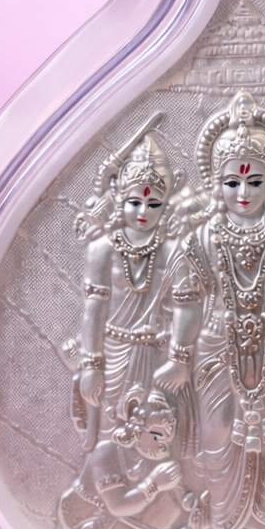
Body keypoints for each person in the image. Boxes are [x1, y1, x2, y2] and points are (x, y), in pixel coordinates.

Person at [154, 91, 265, 529]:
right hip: (216, 346)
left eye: (254, 181)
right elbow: (187, 302)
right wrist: (178, 356)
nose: (243, 193)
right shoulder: (202, 237)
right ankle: (225, 520)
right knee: (220, 432)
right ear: (216, 182)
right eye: (233, 182)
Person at [64, 129, 181, 450]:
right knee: (108, 436)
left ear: (165, 203)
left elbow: (187, 305)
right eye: (135, 202)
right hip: (112, 354)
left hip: (157, 356)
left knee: (156, 434)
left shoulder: (173, 250)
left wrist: (179, 358)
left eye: (153, 203)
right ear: (120, 199)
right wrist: (92, 365)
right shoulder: (102, 249)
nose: (143, 212)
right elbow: (93, 311)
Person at [58, 387, 206, 529]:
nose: (165, 441)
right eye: (158, 435)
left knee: (170, 503)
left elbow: (177, 498)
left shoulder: (153, 454)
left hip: (129, 515)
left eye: (170, 433)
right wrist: (154, 484)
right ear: (137, 432)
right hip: (88, 514)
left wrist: (192, 504)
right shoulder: (107, 453)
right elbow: (117, 506)